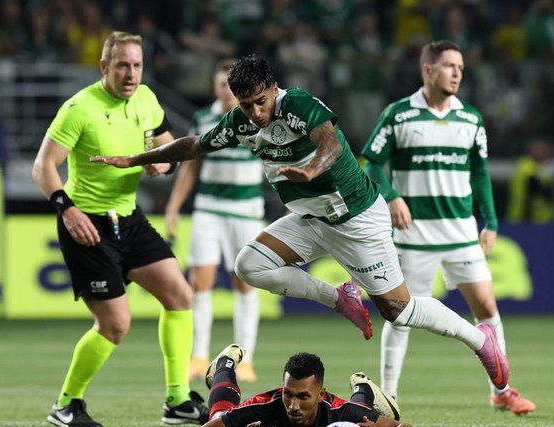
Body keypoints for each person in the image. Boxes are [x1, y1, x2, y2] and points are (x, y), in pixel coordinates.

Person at [91, 54, 512, 397]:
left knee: (397, 311)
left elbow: (329, 143)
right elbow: (194, 145)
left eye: (260, 101)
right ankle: (339, 298)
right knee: (249, 265)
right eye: (245, 105)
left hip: (356, 219)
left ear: (274, 89)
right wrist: (136, 159)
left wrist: (310, 171)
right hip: (310, 219)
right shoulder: (240, 121)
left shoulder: (299, 105)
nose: (255, 113)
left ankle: (481, 341)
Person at [31, 32, 206, 427]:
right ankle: (66, 403)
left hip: (128, 218)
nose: (131, 74)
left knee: (180, 295)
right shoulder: (79, 108)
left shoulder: (146, 99)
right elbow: (43, 167)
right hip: (86, 223)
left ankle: (177, 399)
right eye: (123, 65)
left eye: (138, 65)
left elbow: (170, 147)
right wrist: (67, 210)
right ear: (104, 67)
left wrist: (165, 164)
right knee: (115, 325)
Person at [360, 40, 536, 415]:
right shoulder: (399, 115)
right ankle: (389, 396)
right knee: (400, 313)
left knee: (487, 307)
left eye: (460, 67)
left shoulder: (470, 118)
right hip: (415, 233)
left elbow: (480, 171)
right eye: (449, 66)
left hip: (460, 231)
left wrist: (490, 220)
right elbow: (371, 162)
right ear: (428, 70)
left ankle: (501, 390)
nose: (457, 73)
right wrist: (391, 195)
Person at [165, 59, 265, 383]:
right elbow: (191, 165)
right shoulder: (203, 118)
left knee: (245, 283)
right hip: (209, 209)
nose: (226, 90)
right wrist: (174, 206)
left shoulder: (257, 118)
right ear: (214, 87)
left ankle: (244, 358)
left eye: (230, 85)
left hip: (247, 210)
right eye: (221, 84)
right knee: (201, 282)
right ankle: (199, 355)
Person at [184, 345, 421, 427]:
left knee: (361, 416)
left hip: (345, 409)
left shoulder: (337, 413)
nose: (293, 405)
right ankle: (225, 364)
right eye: (289, 394)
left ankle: (364, 388)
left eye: (304, 396)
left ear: (320, 395)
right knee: (218, 418)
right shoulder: (264, 407)